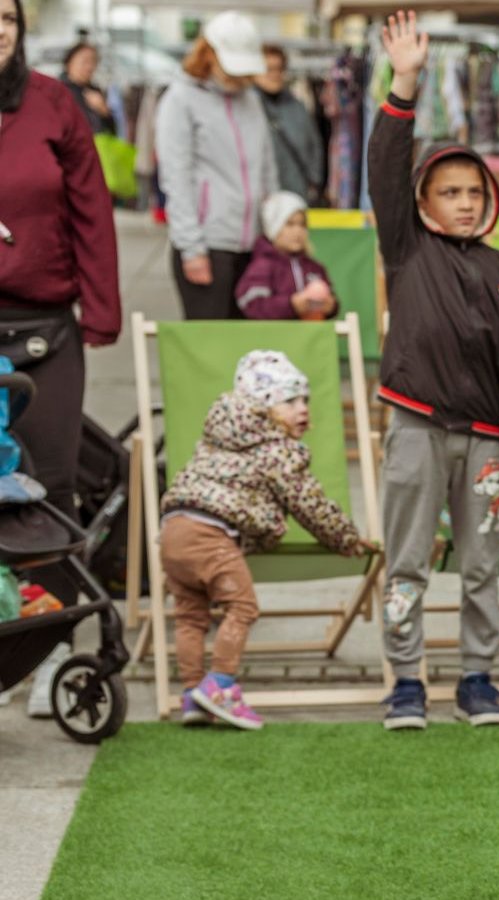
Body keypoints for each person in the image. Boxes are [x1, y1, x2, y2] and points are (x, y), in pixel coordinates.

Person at [370, 12, 499, 731]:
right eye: (450, 191)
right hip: (415, 426)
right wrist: (405, 81)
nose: (466, 201)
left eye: (475, 191)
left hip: (485, 439)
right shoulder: (404, 248)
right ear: (421, 201)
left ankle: (478, 677)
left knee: (481, 564)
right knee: (408, 561)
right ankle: (406, 679)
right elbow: (385, 162)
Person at [0, 0, 121, 718]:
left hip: (46, 330)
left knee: (49, 493)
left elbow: (92, 210)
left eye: (8, 16)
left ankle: (49, 655)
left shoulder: (55, 106)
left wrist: (101, 309)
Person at [160, 351, 370, 730]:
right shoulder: (278, 450)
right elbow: (310, 503)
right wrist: (347, 539)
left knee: (191, 616)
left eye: (304, 399)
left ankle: (192, 693)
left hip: (173, 530)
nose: (303, 409)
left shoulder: (215, 438)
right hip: (211, 535)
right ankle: (221, 685)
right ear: (263, 407)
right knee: (242, 608)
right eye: (290, 401)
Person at [156, 12, 279, 320]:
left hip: (253, 245)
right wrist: (191, 247)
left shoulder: (251, 100)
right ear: (208, 55)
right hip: (208, 245)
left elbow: (267, 167)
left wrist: (273, 229)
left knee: (252, 348)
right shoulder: (180, 100)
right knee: (210, 350)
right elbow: (176, 175)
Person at [235, 191, 338, 320]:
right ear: (273, 228)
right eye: (290, 224)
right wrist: (291, 305)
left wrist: (331, 306)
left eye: (302, 225)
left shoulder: (314, 267)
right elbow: (252, 304)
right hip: (275, 339)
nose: (298, 231)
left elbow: (331, 298)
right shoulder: (262, 266)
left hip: (310, 339)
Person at [256, 45, 324, 203]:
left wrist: (314, 180)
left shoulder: (297, 106)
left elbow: (314, 144)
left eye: (279, 69)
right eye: (269, 69)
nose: (274, 75)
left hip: (295, 194)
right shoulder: (247, 108)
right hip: (260, 195)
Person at [61, 43, 115, 135]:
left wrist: (104, 111)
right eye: (85, 61)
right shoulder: (59, 90)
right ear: (69, 62)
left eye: (94, 62)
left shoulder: (95, 91)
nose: (90, 67)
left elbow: (112, 132)